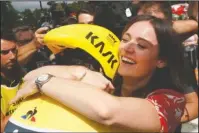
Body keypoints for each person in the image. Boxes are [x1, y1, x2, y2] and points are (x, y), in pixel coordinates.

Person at [10, 15, 186, 132]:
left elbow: (107, 112)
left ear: (161, 60)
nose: (127, 48)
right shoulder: (104, 80)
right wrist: (79, 72)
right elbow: (28, 77)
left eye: (141, 45)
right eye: (125, 39)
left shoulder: (171, 102)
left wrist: (44, 81)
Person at [136, 1, 198, 125]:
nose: (148, 30)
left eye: (158, 25)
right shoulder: (124, 50)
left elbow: (194, 106)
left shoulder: (176, 60)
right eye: (141, 22)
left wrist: (161, 119)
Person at [1, 29, 26, 132]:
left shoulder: (22, 74)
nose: (12, 56)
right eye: (4, 52)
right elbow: (2, 127)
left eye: (14, 50)